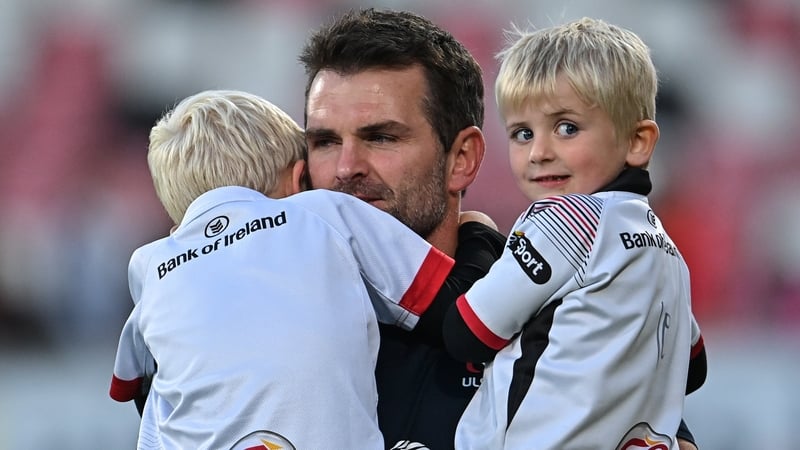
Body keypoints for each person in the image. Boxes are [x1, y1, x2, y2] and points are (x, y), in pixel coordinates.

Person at [299, 8, 702, 450]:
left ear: (462, 159)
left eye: (381, 137)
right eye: (325, 142)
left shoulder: (568, 300)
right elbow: (692, 365)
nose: (346, 168)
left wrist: (481, 251)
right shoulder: (270, 324)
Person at [107, 89, 495, 449]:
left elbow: (130, 386)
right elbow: (463, 315)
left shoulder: (150, 262)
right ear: (298, 181)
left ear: (178, 223)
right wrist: (478, 230)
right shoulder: (322, 211)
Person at [438, 17, 708, 449]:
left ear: (637, 141)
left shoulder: (566, 218)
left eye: (567, 128)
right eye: (522, 133)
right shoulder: (665, 248)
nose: (539, 152)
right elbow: (692, 368)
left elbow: (467, 333)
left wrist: (476, 237)